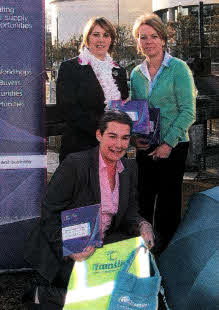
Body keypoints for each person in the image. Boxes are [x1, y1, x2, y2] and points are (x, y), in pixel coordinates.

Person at [24, 110, 154, 309]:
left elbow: (129, 212)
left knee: (137, 278)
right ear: (99, 135)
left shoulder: (129, 169)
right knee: (107, 293)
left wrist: (142, 225)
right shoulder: (76, 164)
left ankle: (54, 296)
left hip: (99, 245)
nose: (118, 145)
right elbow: (49, 214)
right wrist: (69, 250)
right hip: (62, 249)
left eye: (125, 138)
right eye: (112, 136)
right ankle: (43, 294)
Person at [130, 13, 197, 254]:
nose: (148, 41)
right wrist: (135, 137)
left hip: (174, 145)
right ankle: (144, 251)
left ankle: (168, 254)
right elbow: (136, 112)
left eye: (153, 36)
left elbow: (188, 112)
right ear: (137, 42)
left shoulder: (178, 68)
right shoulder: (135, 74)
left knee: (168, 204)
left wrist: (168, 144)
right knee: (144, 200)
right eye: (142, 37)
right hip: (146, 145)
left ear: (163, 39)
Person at [56, 17, 129, 162]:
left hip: (114, 149)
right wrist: (104, 131)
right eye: (96, 34)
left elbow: (123, 107)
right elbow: (68, 109)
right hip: (81, 148)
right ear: (87, 38)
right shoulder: (70, 67)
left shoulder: (119, 71)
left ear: (111, 40)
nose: (101, 40)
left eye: (106, 35)